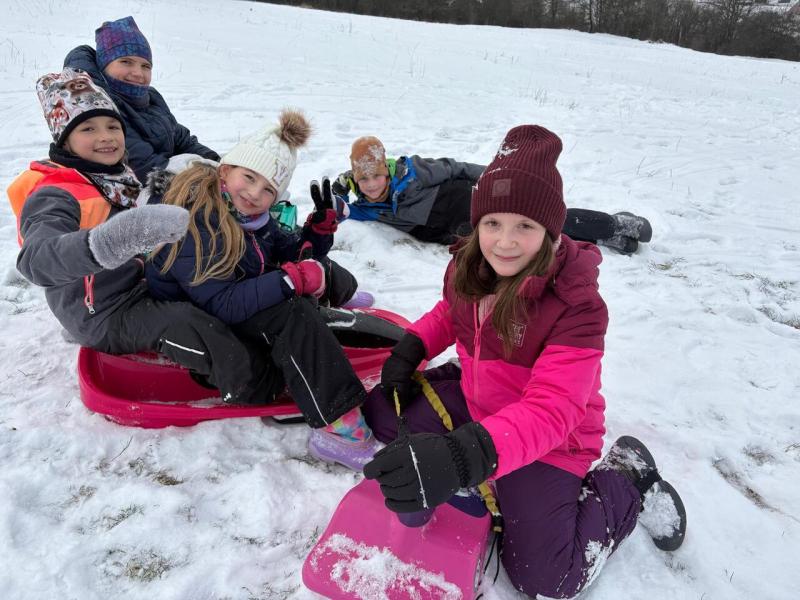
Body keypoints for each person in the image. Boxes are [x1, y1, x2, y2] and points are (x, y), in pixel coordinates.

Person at [361, 125, 687, 598]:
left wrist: (462, 457)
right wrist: (412, 347)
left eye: (525, 227)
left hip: (549, 438)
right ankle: (460, 422)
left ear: (551, 231)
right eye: (493, 223)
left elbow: (553, 408)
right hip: (477, 401)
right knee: (382, 414)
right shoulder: (470, 264)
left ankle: (627, 477)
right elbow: (450, 312)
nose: (505, 242)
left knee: (547, 577)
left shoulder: (576, 306)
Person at [11, 67, 272, 406]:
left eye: (113, 126)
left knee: (219, 290)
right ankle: (257, 388)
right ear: (64, 139)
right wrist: (107, 243)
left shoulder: (117, 176)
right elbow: (36, 261)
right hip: (106, 311)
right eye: (88, 128)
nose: (106, 137)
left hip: (146, 281)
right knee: (193, 325)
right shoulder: (56, 194)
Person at [145, 110, 382, 469]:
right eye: (249, 177)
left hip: (229, 292)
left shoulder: (249, 216)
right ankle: (340, 431)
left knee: (317, 272)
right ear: (225, 171)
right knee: (294, 313)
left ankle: (334, 301)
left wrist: (318, 231)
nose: (255, 193)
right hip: (200, 319)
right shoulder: (196, 220)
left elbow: (288, 249)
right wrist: (293, 279)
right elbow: (221, 302)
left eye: (269, 188)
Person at [333, 136, 653, 253]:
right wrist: (340, 188)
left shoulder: (413, 171)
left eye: (376, 175)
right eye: (364, 179)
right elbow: (336, 211)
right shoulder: (369, 207)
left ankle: (617, 225)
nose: (372, 184)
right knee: (534, 242)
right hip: (466, 229)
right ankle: (607, 239)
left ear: (386, 170)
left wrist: (497, 175)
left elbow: (457, 168)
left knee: (537, 219)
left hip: (477, 198)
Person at [63, 16, 219, 182]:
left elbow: (182, 139)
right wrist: (208, 178)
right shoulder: (97, 104)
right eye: (126, 62)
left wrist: (218, 163)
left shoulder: (150, 98)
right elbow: (143, 166)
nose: (138, 73)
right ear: (103, 65)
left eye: (146, 66)